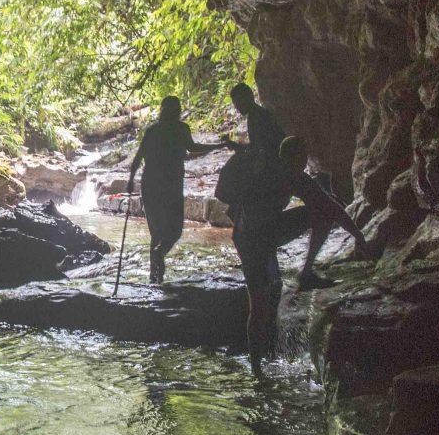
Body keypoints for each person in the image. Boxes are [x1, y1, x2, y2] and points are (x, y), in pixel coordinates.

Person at [232, 135, 373, 378]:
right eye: (302, 157)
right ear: (289, 158)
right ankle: (256, 369)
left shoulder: (295, 175)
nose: (305, 161)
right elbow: (239, 205)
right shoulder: (270, 173)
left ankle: (306, 273)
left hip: (269, 230)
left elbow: (330, 206)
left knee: (323, 209)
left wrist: (359, 237)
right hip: (251, 240)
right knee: (259, 305)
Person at [228, 82, 338, 291]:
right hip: (272, 173)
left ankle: (268, 264)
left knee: (251, 218)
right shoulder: (256, 116)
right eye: (234, 104)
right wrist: (240, 148)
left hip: (273, 173)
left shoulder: (259, 116)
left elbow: (265, 150)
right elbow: (259, 148)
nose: (237, 108)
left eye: (237, 102)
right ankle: (267, 262)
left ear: (248, 97)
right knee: (248, 216)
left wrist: (245, 155)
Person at [127, 96, 230, 283]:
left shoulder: (152, 130)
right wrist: (218, 145)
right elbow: (194, 148)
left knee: (156, 233)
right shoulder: (181, 129)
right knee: (175, 231)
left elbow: (138, 157)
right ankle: (159, 261)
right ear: (177, 110)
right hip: (170, 186)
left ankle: (155, 276)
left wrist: (130, 180)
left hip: (150, 185)